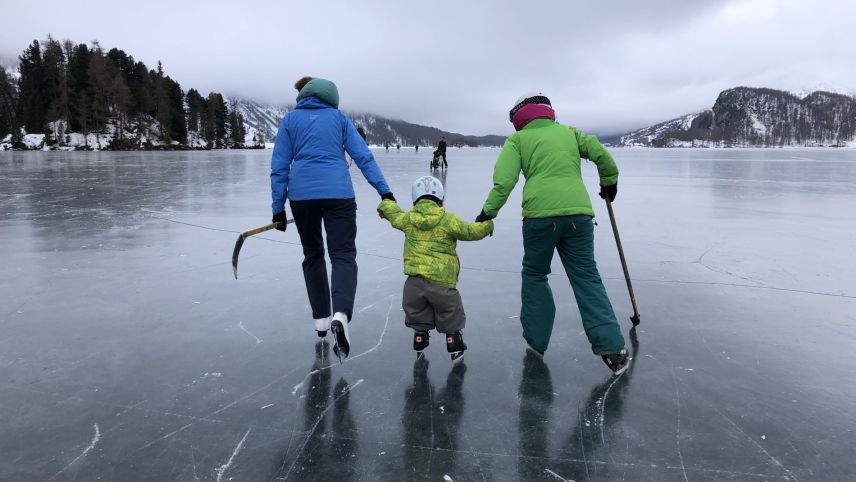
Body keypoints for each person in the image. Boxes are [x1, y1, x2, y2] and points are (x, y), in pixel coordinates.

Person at [475, 92, 630, 375]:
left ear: (518, 118)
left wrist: (487, 213)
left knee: (535, 275)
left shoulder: (517, 141)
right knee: (586, 277)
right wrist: (609, 182)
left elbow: (504, 182)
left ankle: (536, 342)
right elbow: (601, 154)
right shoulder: (570, 133)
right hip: (578, 217)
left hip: (539, 219)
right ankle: (612, 351)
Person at [271, 76, 395, 361]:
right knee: (342, 255)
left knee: (313, 254)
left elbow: (279, 166)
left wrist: (278, 208)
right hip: (339, 195)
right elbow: (363, 156)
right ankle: (341, 313)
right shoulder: (339, 119)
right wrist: (384, 191)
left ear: (303, 95)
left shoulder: (290, 121)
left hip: (302, 197)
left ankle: (321, 320)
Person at [378, 176, 493, 362]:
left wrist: (386, 202)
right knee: (450, 313)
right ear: (440, 198)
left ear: (415, 198)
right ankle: (453, 342)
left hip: (414, 284)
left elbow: (393, 214)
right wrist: (487, 224)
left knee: (417, 313)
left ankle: (419, 337)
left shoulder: (408, 219)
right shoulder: (448, 220)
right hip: (442, 283)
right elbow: (471, 231)